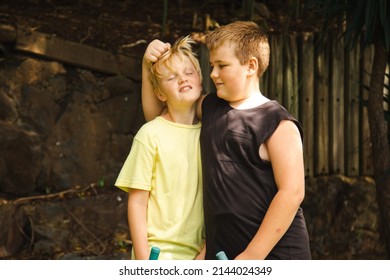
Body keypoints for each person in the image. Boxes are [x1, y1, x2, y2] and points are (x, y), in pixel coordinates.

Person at [142, 21, 311, 260]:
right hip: (223, 254)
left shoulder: (278, 123)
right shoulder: (210, 107)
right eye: (212, 66)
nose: (212, 74)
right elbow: (158, 115)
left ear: (250, 66)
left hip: (276, 256)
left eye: (222, 65)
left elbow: (292, 193)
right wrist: (145, 65)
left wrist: (252, 255)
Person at [115, 36, 205, 260]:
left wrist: (205, 254)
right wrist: (145, 261)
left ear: (201, 78)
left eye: (188, 72)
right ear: (160, 94)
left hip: (197, 255)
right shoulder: (151, 134)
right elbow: (137, 202)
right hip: (156, 254)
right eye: (172, 77)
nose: (182, 79)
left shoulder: (210, 135)